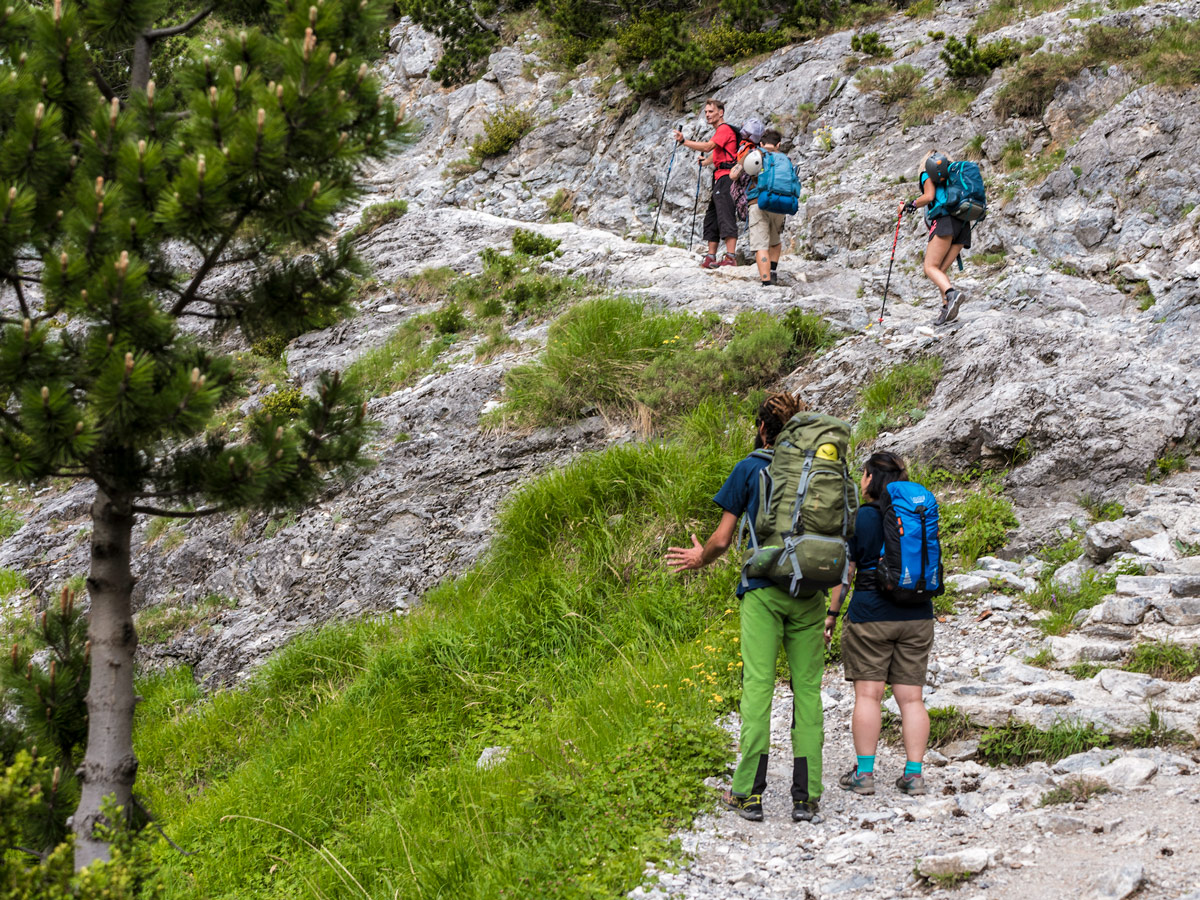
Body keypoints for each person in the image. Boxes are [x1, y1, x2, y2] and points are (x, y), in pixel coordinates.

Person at [665, 393, 826, 823]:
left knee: (758, 686)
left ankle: (748, 794)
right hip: (810, 592)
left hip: (762, 590)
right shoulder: (820, 471)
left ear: (762, 429)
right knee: (807, 690)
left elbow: (721, 540)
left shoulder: (751, 468)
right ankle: (807, 797)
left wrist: (699, 558)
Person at [824, 451, 933, 797]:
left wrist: (831, 613)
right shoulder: (917, 513)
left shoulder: (862, 518)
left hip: (870, 615)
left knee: (868, 695)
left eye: (863, 474)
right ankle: (913, 775)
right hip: (917, 614)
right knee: (912, 700)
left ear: (870, 478)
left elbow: (847, 571)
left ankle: (865, 774)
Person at [904, 151, 969, 326]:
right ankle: (947, 309)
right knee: (940, 269)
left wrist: (911, 204)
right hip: (963, 226)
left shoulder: (927, 173)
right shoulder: (955, 174)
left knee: (930, 267)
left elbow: (929, 197)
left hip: (945, 222)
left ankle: (952, 293)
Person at [674, 99, 739, 269]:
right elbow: (716, 154)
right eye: (706, 112)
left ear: (721, 112)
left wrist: (684, 142)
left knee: (725, 215)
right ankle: (711, 256)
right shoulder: (720, 131)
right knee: (712, 216)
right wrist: (706, 162)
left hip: (727, 178)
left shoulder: (724, 129)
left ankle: (730, 257)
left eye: (711, 111)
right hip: (720, 178)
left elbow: (709, 146)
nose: (708, 115)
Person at [743, 129, 787, 287]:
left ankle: (766, 282)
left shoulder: (756, 155)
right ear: (778, 145)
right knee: (775, 241)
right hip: (780, 204)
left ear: (761, 144)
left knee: (761, 245)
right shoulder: (784, 159)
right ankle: (773, 271)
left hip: (758, 202)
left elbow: (734, 175)